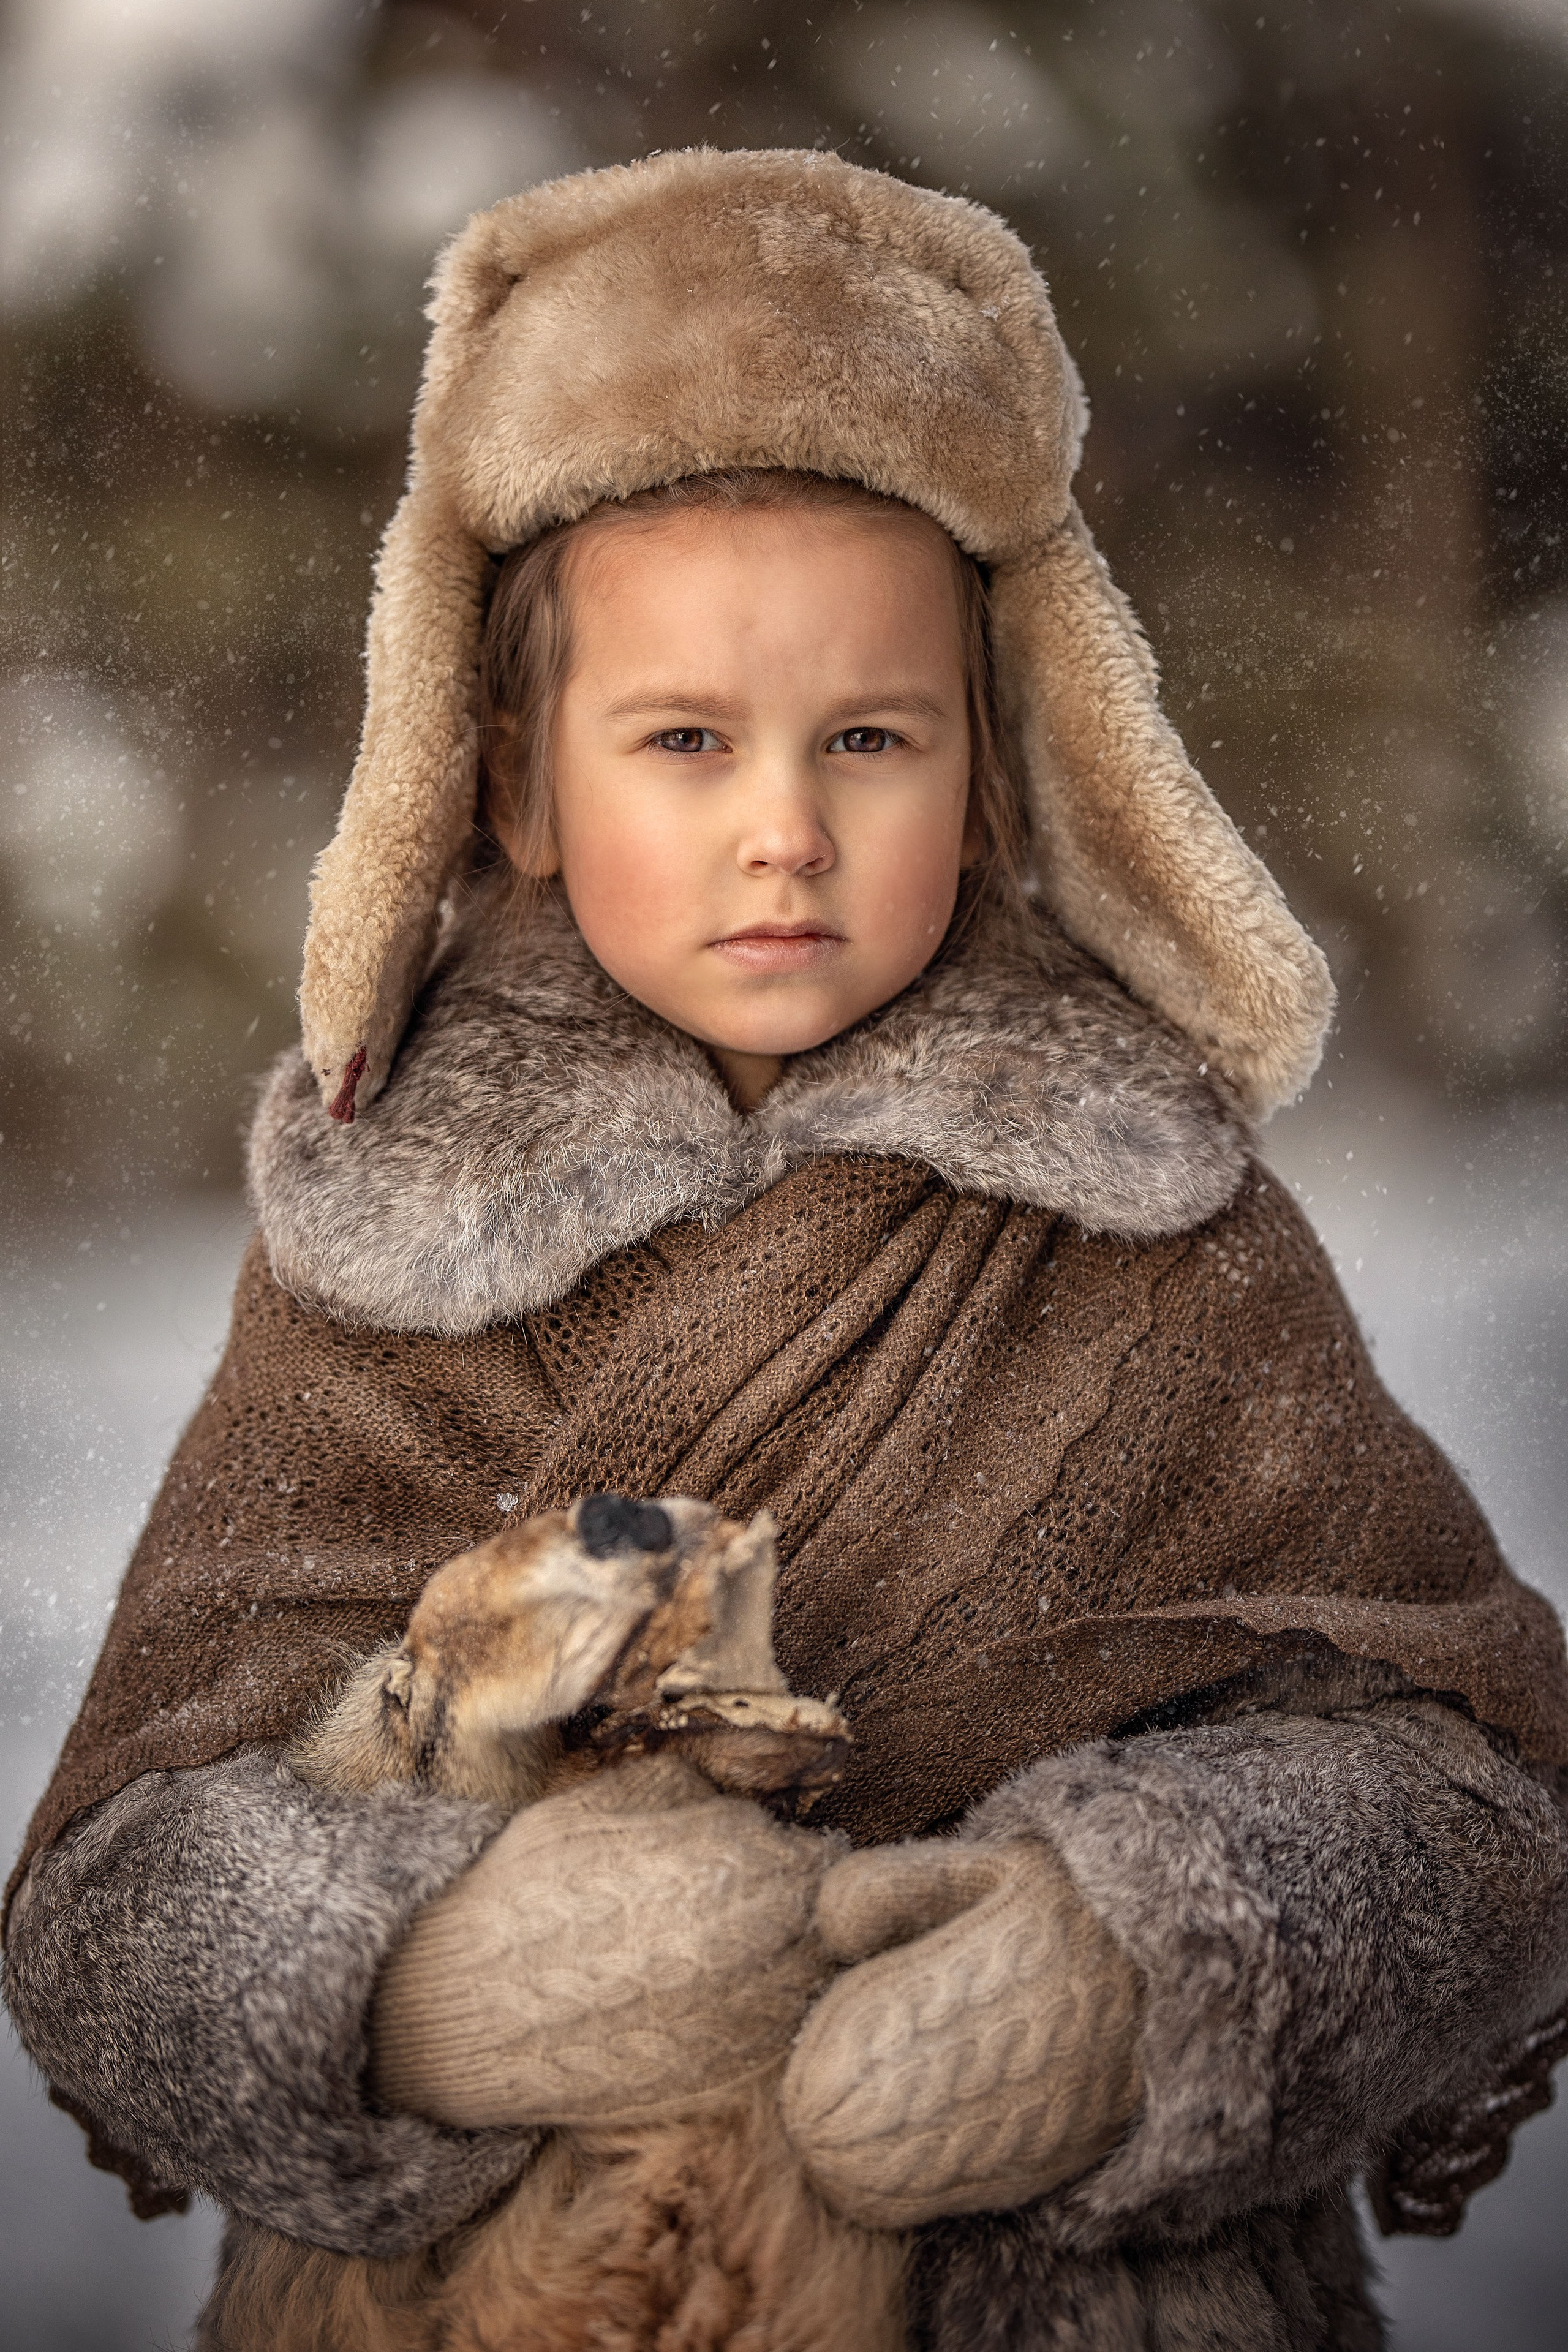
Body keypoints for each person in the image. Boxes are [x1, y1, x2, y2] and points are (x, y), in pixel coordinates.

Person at [5, 148, 1567, 2351]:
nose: (785, 830)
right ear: (515, 785)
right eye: (683, 740)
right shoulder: (380, 1256)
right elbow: (114, 1902)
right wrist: (431, 1983)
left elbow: (1475, 1797)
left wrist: (1136, 1967)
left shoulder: (1156, 1237)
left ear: (997, 771)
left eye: (868, 738)